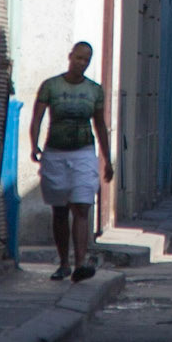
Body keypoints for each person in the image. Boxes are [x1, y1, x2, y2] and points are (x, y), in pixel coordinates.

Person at [30, 42, 113, 282]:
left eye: (86, 60)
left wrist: (106, 159)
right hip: (55, 153)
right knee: (59, 210)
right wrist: (34, 144)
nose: (81, 63)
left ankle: (80, 263)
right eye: (78, 58)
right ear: (70, 57)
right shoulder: (51, 86)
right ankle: (63, 262)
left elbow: (99, 125)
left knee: (82, 205)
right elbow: (38, 117)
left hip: (84, 152)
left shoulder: (94, 90)